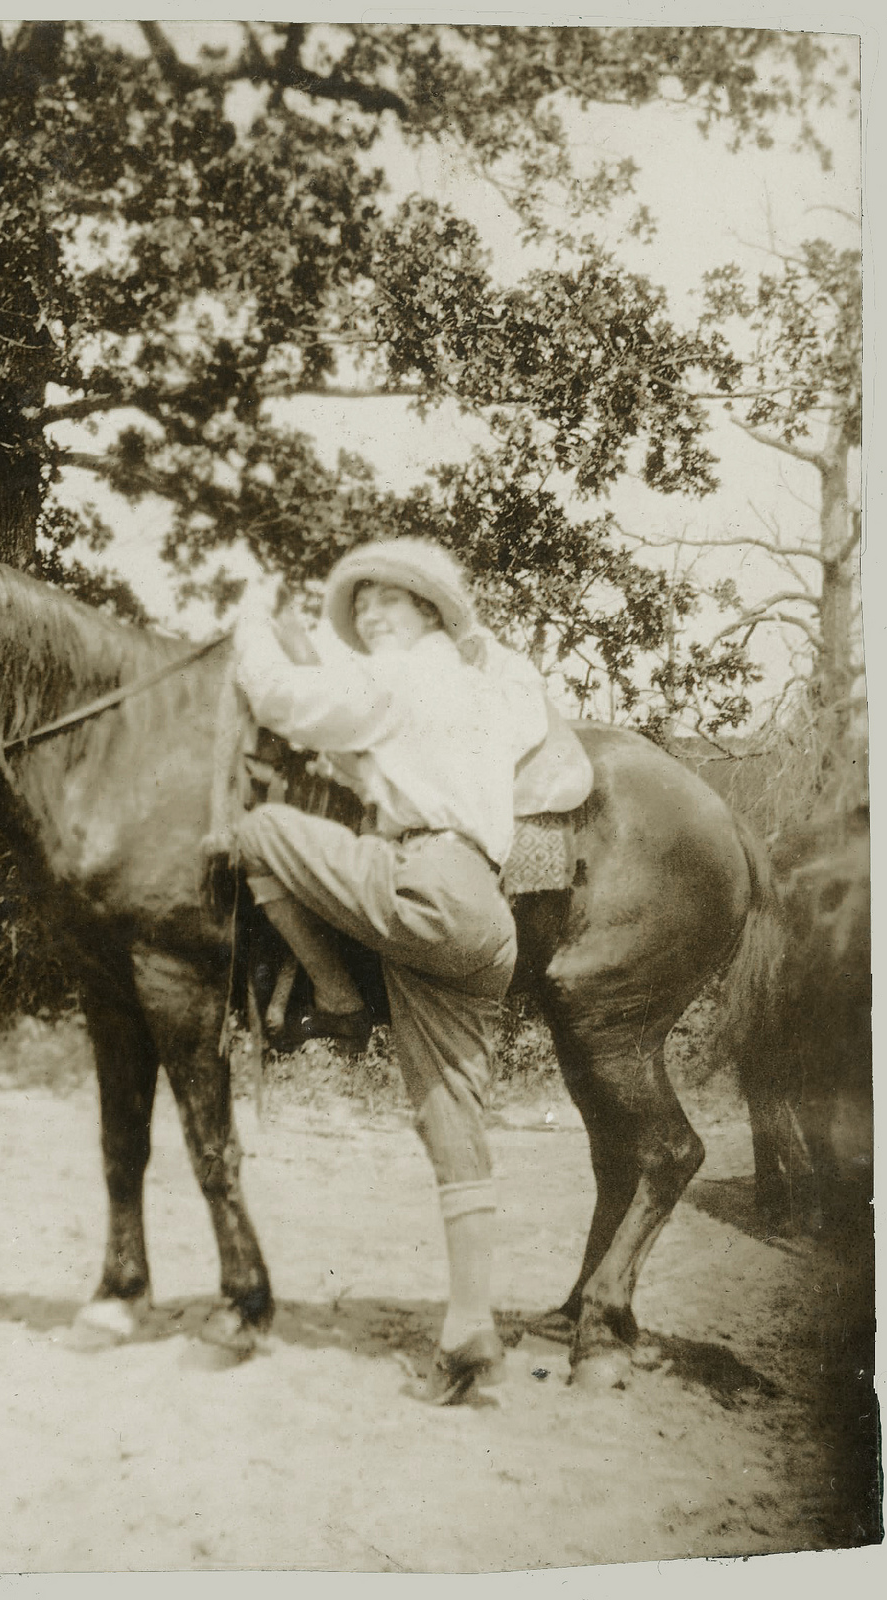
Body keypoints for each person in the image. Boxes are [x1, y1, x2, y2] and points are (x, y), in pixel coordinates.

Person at [232, 537, 551, 1405]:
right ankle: (469, 1327)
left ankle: (336, 996)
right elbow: (526, 700)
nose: (371, 615)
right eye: (362, 605)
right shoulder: (491, 688)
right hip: (486, 921)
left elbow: (280, 698)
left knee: (258, 833)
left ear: (427, 612)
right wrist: (485, 647)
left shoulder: (397, 678)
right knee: (451, 1117)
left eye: (388, 602)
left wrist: (253, 623)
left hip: (428, 885)